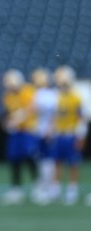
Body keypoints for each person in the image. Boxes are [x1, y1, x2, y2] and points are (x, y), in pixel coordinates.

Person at [47, 65, 87, 205]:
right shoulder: (56, 96)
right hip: (59, 134)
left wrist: (81, 136)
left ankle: (72, 190)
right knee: (56, 162)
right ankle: (55, 189)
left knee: (73, 163)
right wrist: (50, 130)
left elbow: (81, 118)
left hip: (71, 134)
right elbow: (53, 116)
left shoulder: (76, 96)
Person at [0, 69, 38, 205]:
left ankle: (37, 186)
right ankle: (16, 189)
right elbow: (9, 112)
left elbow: (31, 108)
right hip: (16, 132)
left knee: (30, 157)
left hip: (28, 130)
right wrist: (8, 122)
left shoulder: (27, 90)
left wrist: (17, 118)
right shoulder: (8, 95)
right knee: (14, 159)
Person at [29, 68, 58, 205]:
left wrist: (49, 129)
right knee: (42, 160)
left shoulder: (45, 95)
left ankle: (49, 188)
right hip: (40, 130)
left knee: (47, 160)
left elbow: (52, 114)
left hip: (45, 131)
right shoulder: (47, 94)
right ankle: (45, 186)